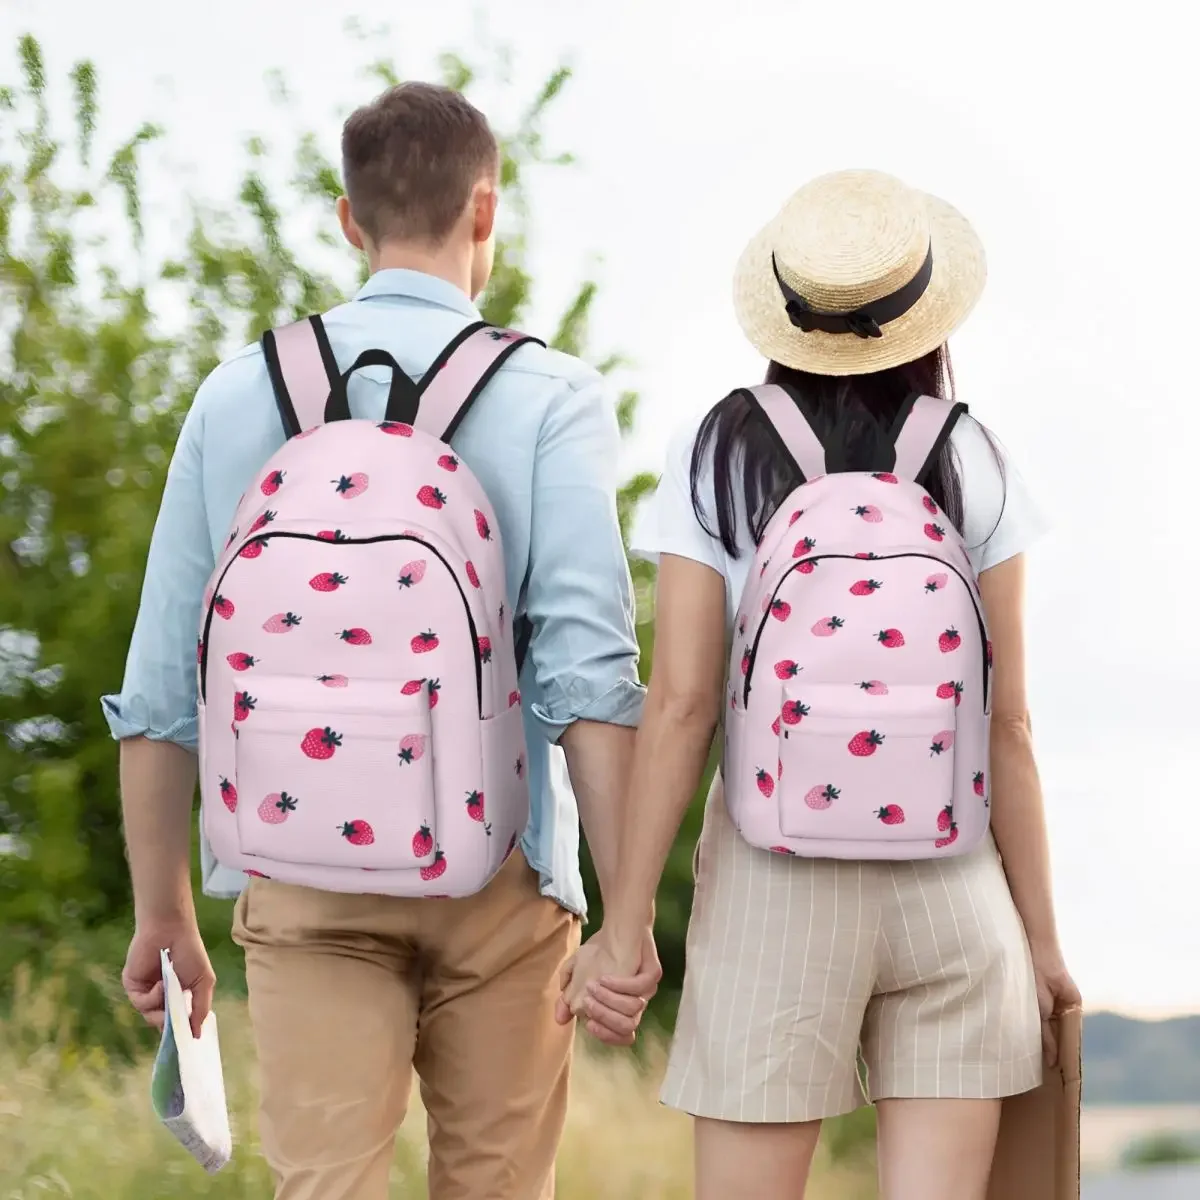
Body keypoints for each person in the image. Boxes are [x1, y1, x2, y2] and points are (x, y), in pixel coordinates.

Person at [105, 81, 659, 1200]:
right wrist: (626, 914)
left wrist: (162, 910)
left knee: (325, 1185)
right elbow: (589, 678)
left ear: (349, 220)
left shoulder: (237, 393)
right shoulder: (550, 395)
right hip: (501, 873)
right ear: (486, 212)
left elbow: (165, 682)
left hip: (299, 871)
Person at [561, 169, 1081, 1200]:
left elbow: (682, 706)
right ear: (925, 315)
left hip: (774, 884)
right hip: (954, 886)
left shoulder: (717, 450)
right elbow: (1009, 723)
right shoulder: (974, 455)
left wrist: (624, 928)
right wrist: (1043, 944)